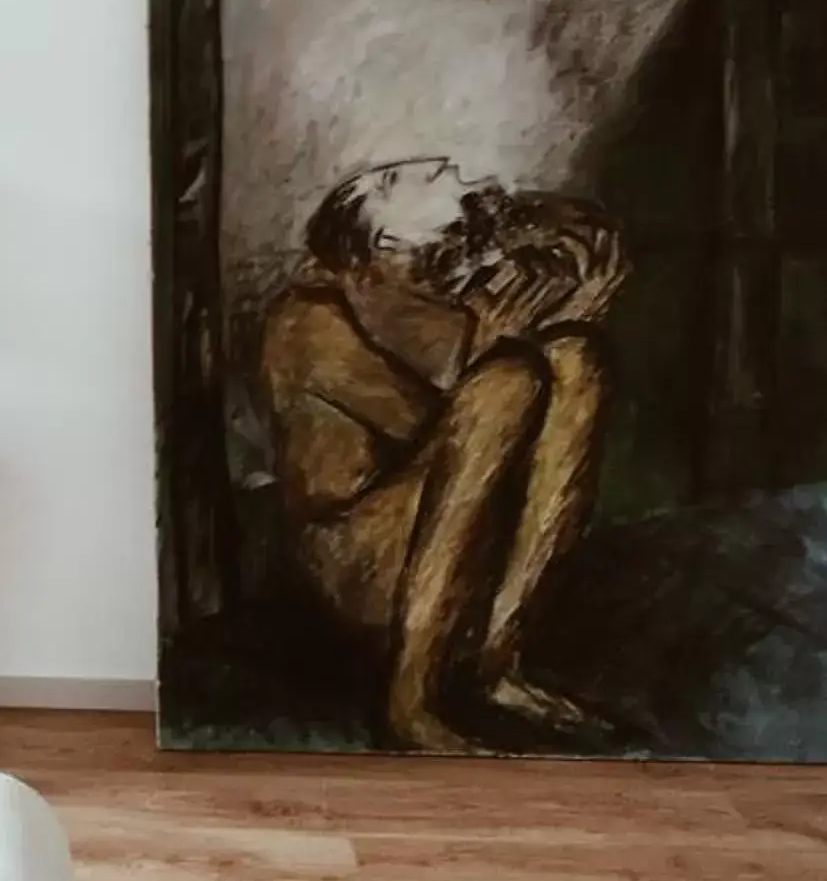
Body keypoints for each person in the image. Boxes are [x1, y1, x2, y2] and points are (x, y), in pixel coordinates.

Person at [256, 156, 624, 752]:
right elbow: (437, 428)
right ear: (386, 233)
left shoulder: (437, 282)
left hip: (454, 542)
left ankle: (497, 662)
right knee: (509, 380)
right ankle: (410, 700)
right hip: (363, 564)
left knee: (578, 361)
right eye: (416, 178)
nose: (449, 169)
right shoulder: (309, 318)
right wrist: (495, 345)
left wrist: (570, 303)